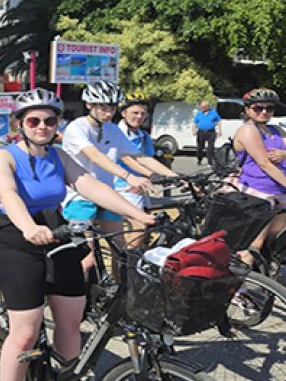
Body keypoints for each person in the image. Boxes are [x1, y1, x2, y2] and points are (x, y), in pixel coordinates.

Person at [0, 89, 155, 381]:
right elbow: (8, 194)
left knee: (71, 319)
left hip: (57, 232)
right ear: (20, 124)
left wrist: (138, 214)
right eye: (34, 120)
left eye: (50, 120)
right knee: (26, 332)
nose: (42, 126)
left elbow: (89, 185)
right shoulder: (5, 157)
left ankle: (68, 379)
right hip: (15, 239)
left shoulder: (60, 156)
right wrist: (30, 227)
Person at [61, 82, 167, 258]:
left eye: (112, 108)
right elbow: (95, 156)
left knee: (120, 252)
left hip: (108, 194)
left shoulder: (112, 129)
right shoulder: (77, 127)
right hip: (80, 196)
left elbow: (140, 157)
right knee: (87, 257)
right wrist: (128, 176)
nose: (109, 113)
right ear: (89, 105)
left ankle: (120, 285)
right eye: (103, 108)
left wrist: (177, 176)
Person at [232, 88, 286, 266]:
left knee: (270, 242)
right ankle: (238, 290)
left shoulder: (276, 130)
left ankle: (263, 282)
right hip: (257, 192)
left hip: (277, 192)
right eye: (258, 108)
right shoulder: (247, 131)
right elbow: (264, 163)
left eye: (269, 108)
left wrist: (284, 154)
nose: (264, 112)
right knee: (253, 244)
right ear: (248, 110)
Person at [115, 92, 177, 247]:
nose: (139, 116)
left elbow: (147, 159)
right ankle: (128, 266)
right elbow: (128, 159)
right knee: (139, 230)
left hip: (141, 187)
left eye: (143, 113)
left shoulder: (143, 136)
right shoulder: (116, 133)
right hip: (123, 187)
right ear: (123, 113)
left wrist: (175, 176)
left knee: (147, 233)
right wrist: (151, 175)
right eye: (135, 113)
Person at [192, 100, 222, 166]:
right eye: (201, 107)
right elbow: (195, 122)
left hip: (211, 132)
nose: (202, 108)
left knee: (210, 148)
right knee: (200, 147)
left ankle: (210, 161)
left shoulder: (213, 113)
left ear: (207, 107)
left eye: (203, 107)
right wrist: (194, 130)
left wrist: (219, 130)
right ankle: (199, 159)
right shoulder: (199, 113)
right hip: (201, 132)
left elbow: (219, 121)